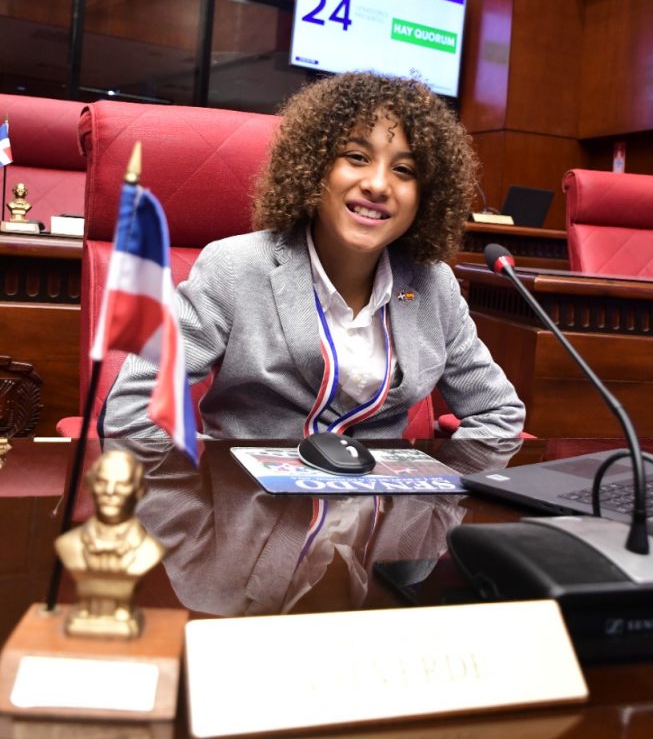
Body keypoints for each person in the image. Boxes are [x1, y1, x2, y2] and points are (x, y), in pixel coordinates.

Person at [102, 72, 525, 441]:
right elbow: (133, 412)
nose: (378, 184)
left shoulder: (432, 285)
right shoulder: (235, 267)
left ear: (426, 197)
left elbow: (499, 415)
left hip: (383, 523)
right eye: (356, 158)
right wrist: (216, 490)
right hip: (255, 518)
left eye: (404, 170)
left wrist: (434, 499)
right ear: (315, 167)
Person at [55, 450, 165, 637]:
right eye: (102, 482)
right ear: (90, 485)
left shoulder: (150, 549)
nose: (110, 491)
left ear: (139, 490)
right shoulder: (67, 544)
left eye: (122, 484)